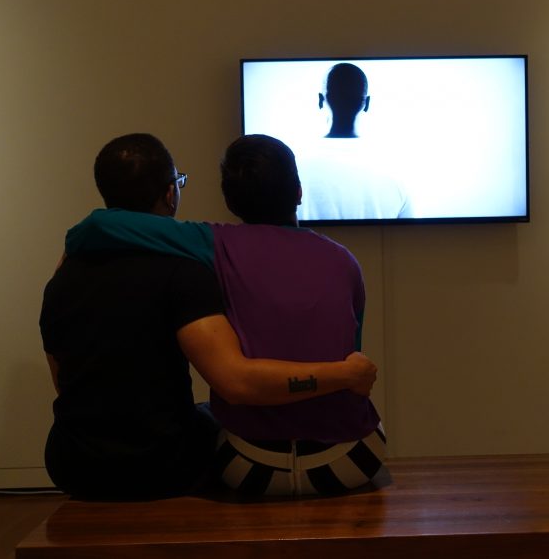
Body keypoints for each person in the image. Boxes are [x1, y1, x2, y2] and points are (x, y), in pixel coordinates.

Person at [40, 133, 377, 500]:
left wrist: (76, 240)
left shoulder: (213, 244)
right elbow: (349, 356)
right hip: (352, 462)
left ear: (229, 201)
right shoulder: (345, 261)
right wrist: (345, 375)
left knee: (211, 416)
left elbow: (108, 225)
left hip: (244, 467)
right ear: (298, 192)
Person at [296, 63, 412, 221]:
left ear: (320, 100)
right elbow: (409, 235)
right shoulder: (397, 170)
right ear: (367, 103)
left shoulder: (294, 166)